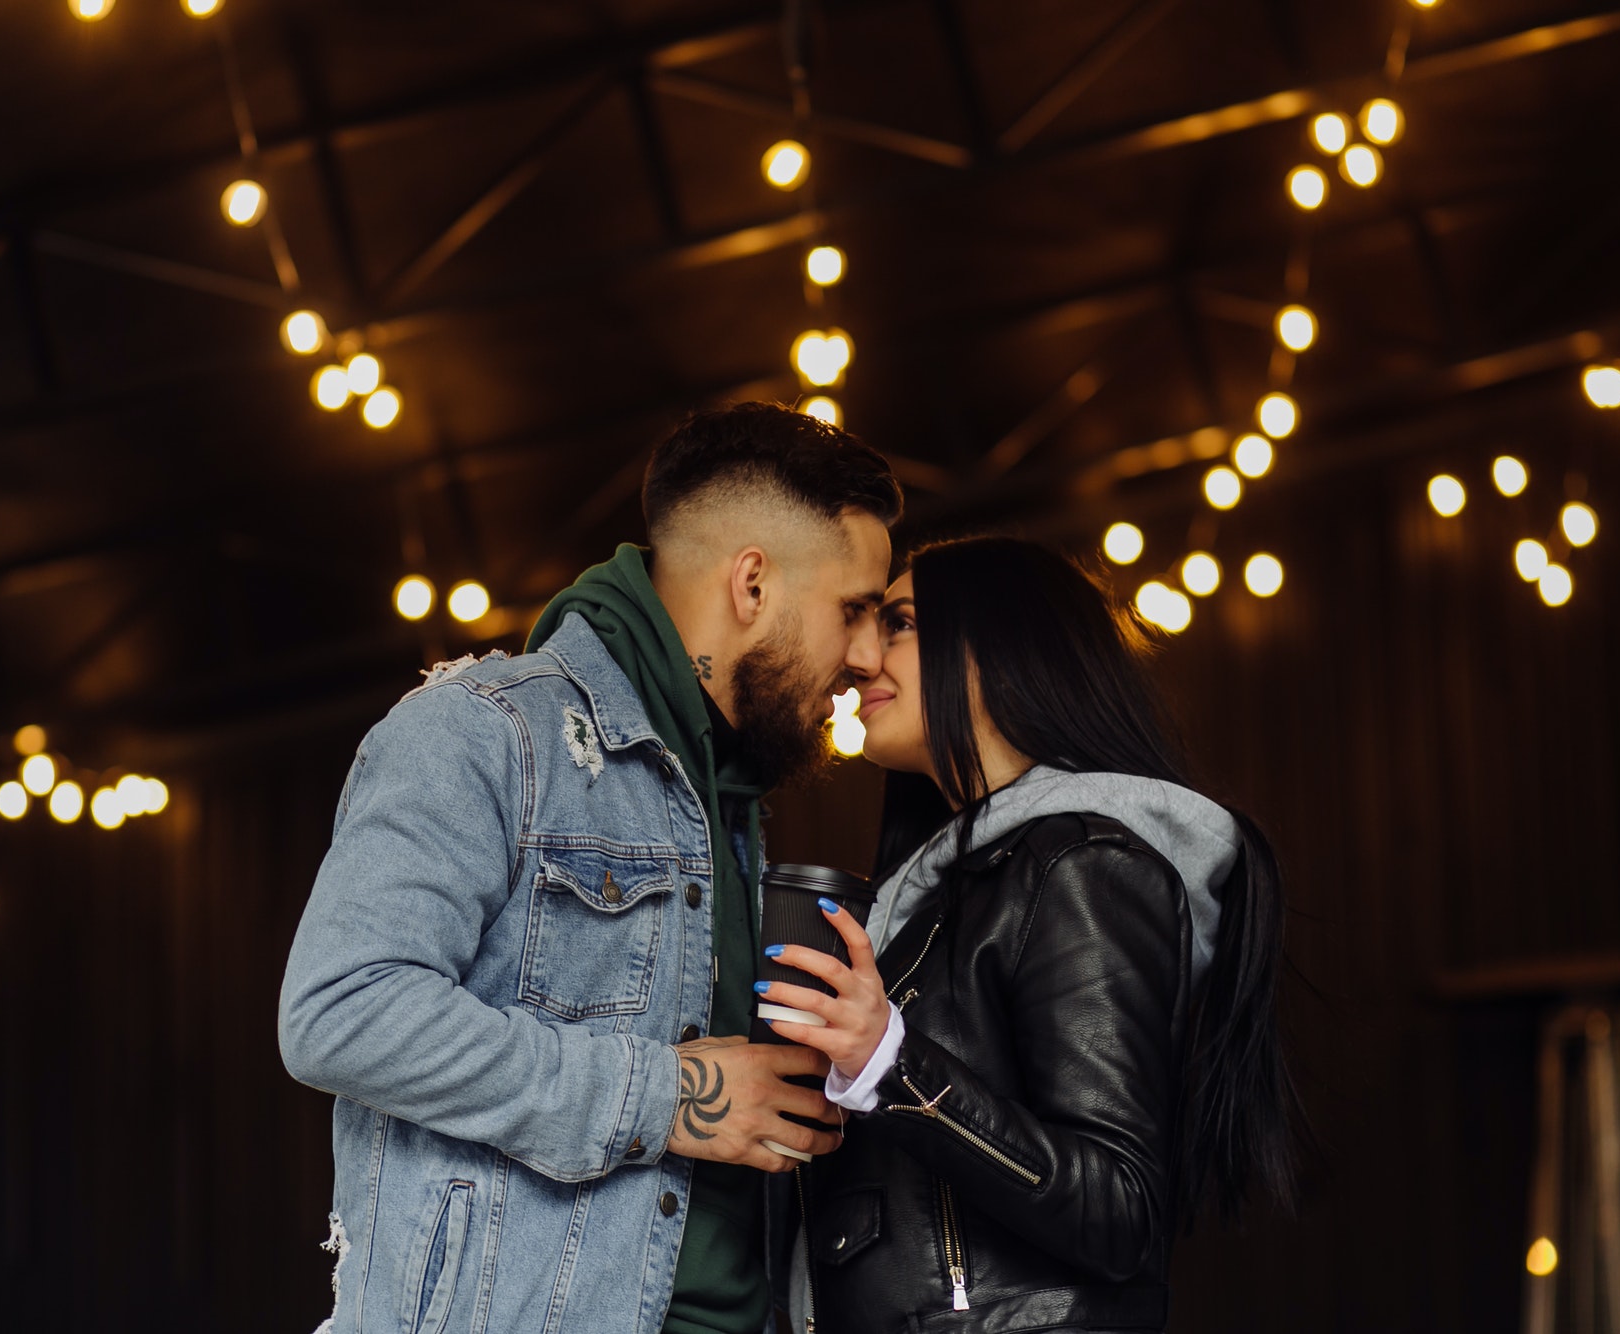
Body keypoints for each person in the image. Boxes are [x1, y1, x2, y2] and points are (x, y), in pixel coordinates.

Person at [277, 402, 902, 1334]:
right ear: (753, 585)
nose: (865, 656)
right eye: (854, 609)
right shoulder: (483, 730)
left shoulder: (726, 797)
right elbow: (341, 1011)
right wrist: (669, 1099)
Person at [756, 536, 1300, 1334]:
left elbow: (1120, 1206)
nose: (861, 657)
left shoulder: (1082, 862)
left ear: (1005, 648)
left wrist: (891, 1065)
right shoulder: (940, 893)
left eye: (899, 621)